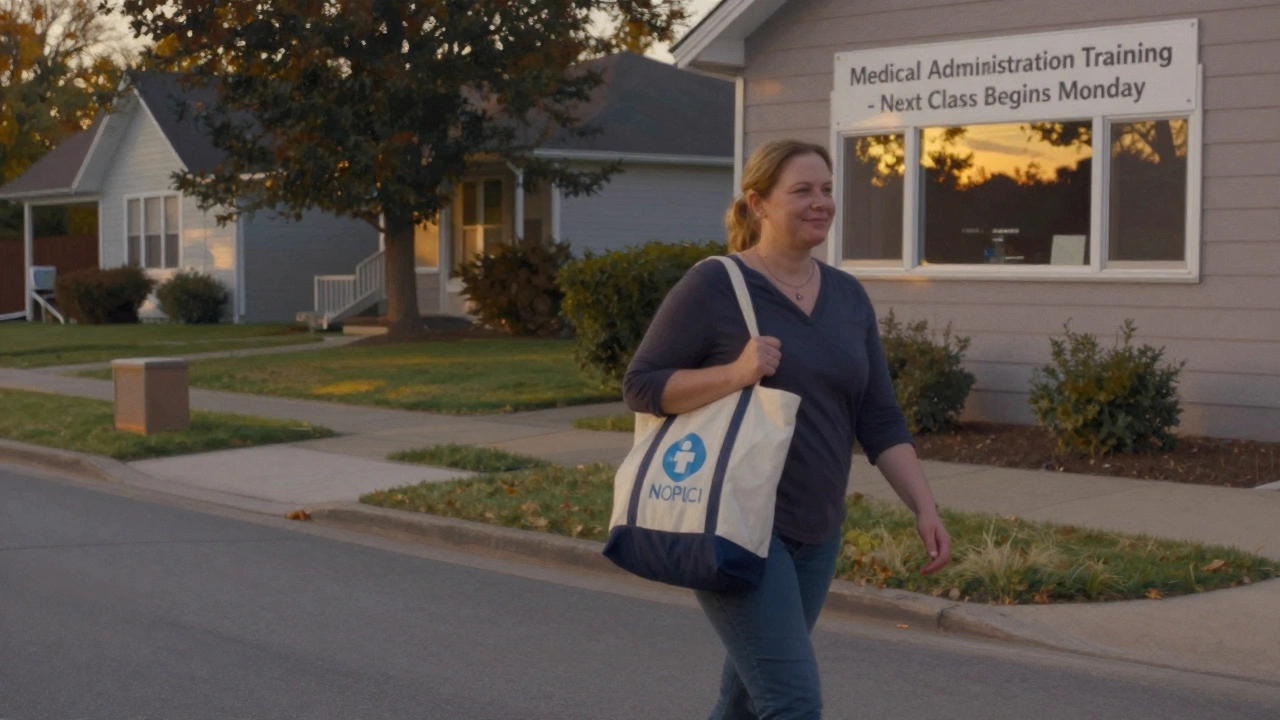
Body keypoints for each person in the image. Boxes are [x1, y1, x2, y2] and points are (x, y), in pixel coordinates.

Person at [622, 139, 952, 720]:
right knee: (793, 703)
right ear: (758, 203)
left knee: (747, 700)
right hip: (737, 523)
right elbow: (642, 386)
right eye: (802, 190)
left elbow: (879, 418)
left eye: (826, 189)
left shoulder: (848, 295)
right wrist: (736, 372)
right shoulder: (716, 285)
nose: (820, 201)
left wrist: (924, 506)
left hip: (817, 531)